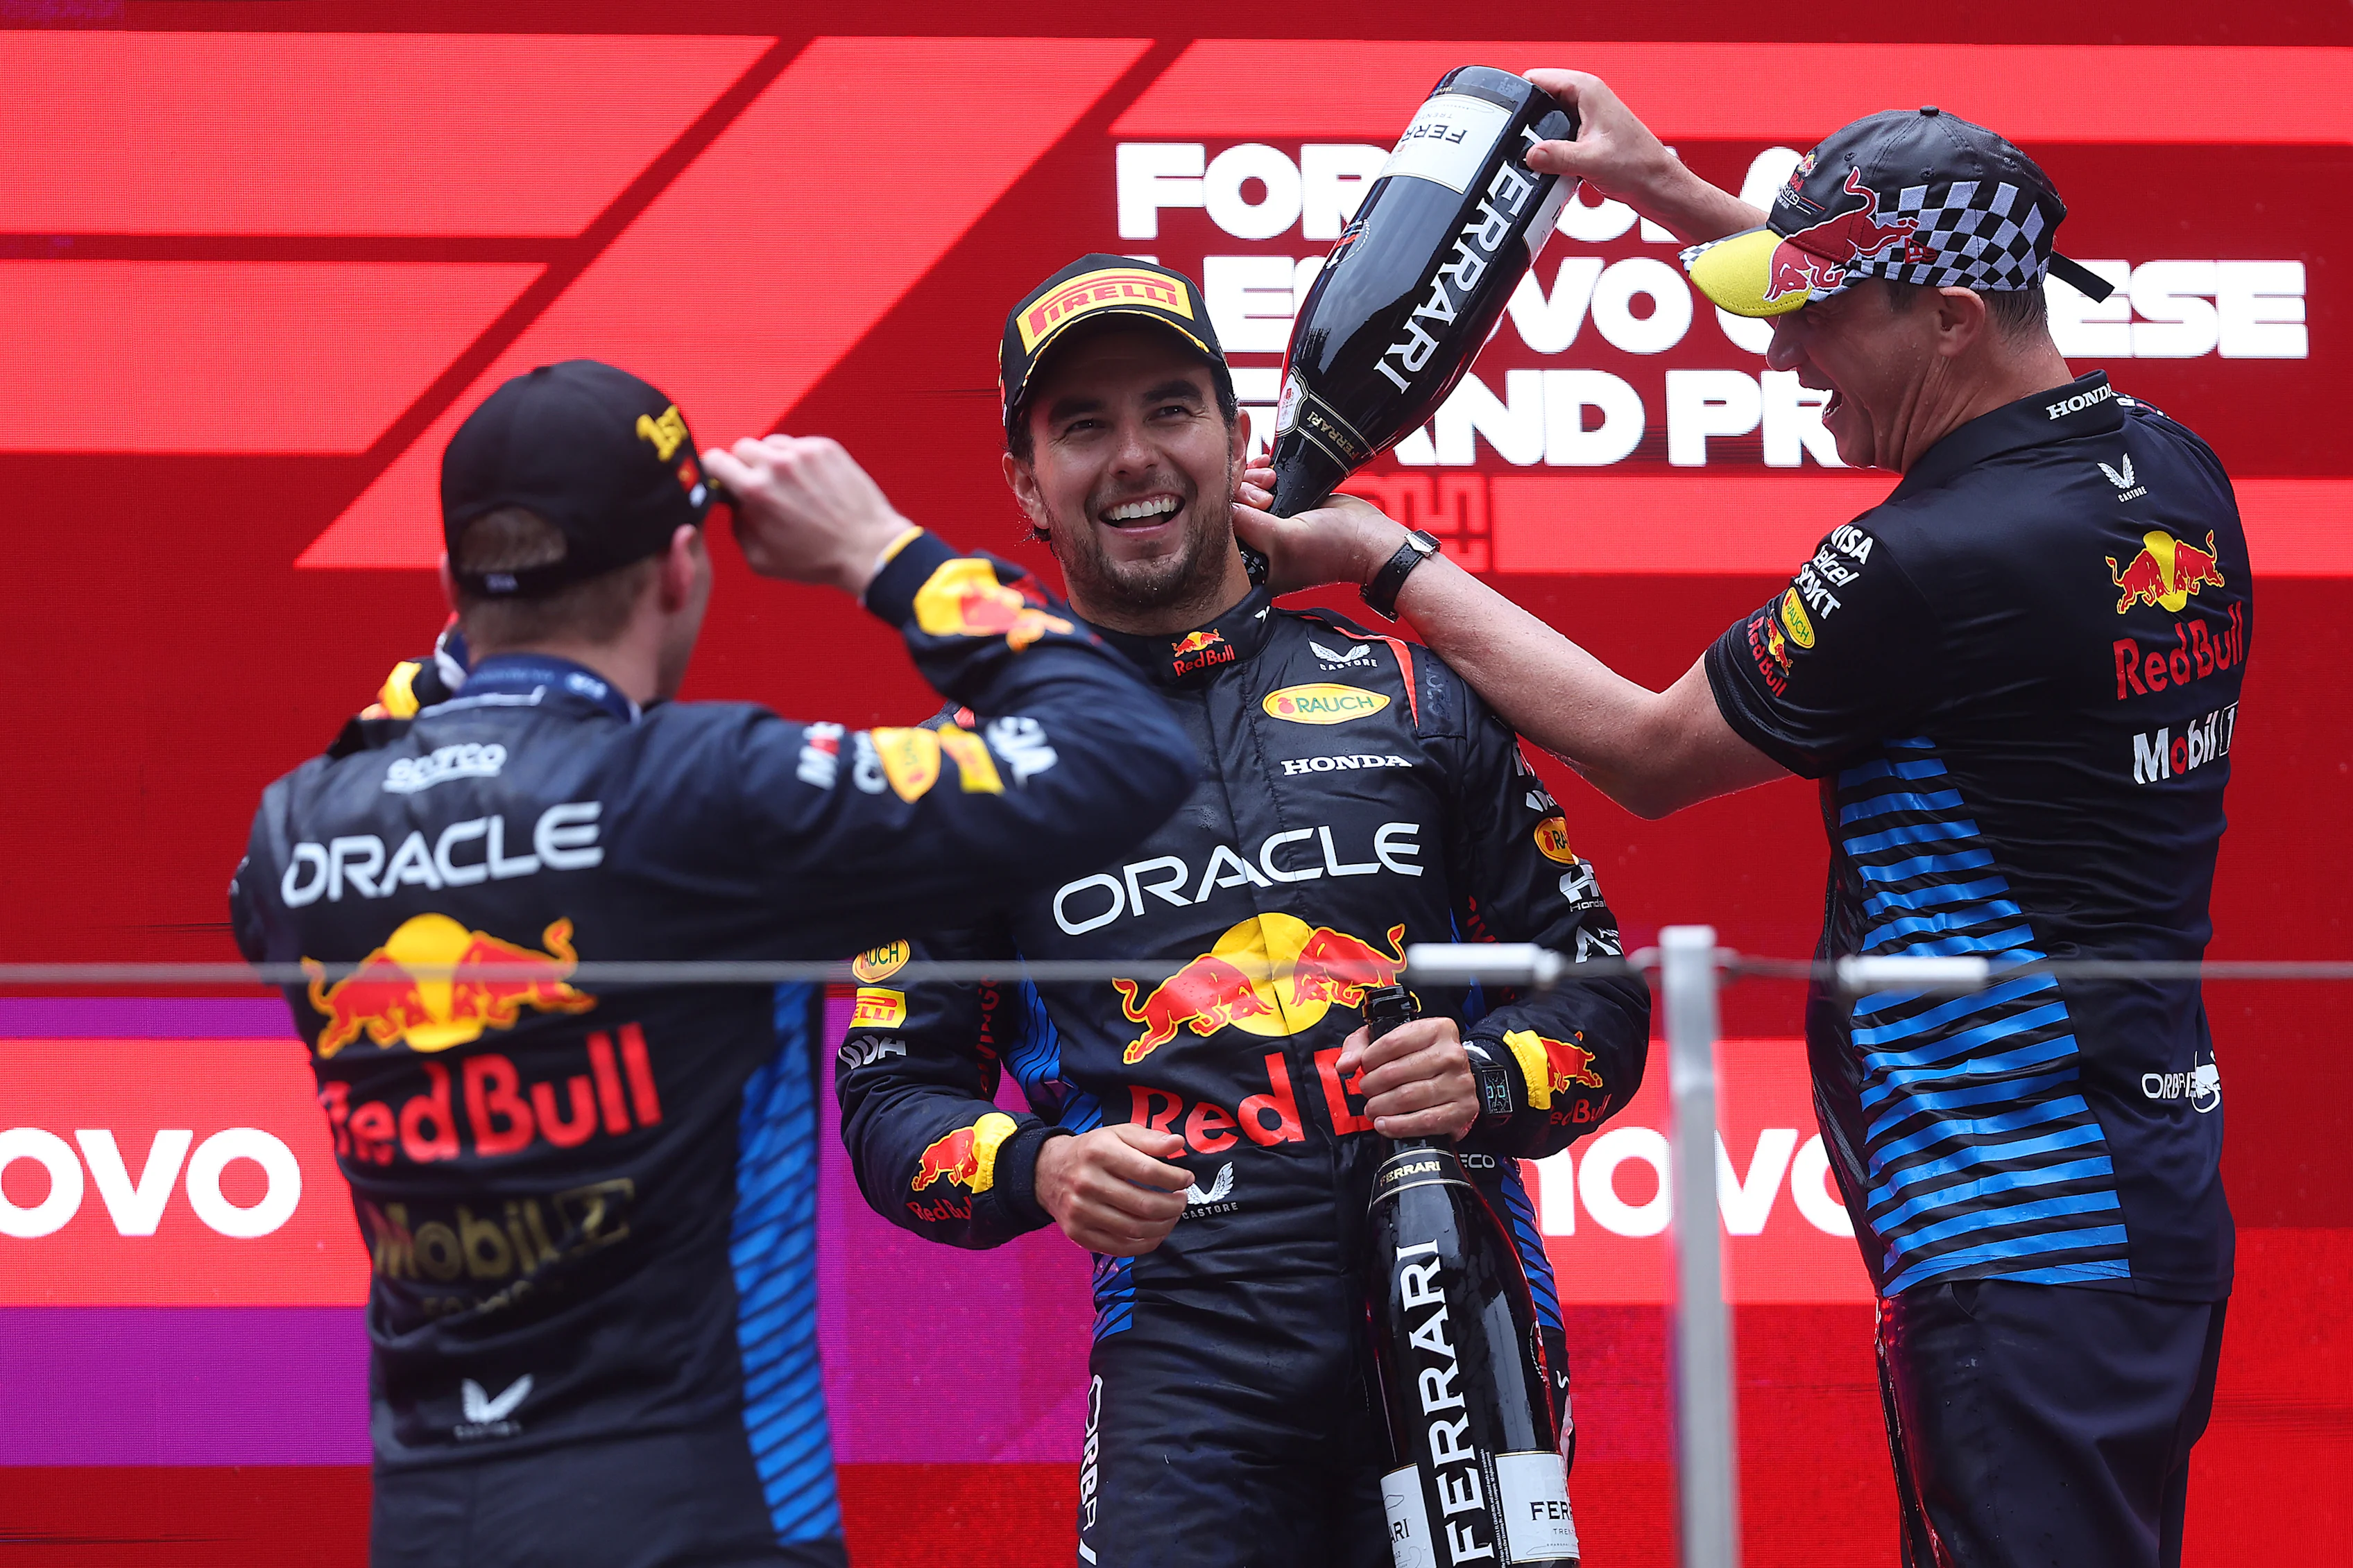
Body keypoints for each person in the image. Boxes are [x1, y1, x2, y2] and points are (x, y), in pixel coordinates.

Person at [1236, 86, 2248, 1568]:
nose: (1782, 354)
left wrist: (1385, 560)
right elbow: (1882, 294)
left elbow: (1646, 751)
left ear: (1953, 320)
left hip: (2015, 1216)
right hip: (2136, 1193)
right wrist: (1668, 191)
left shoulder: (1927, 558)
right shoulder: (2164, 460)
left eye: (1812, 317)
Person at [227, 359, 1199, 1568]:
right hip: (712, 1516)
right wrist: (882, 554)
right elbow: (1120, 753)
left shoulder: (298, 833)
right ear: (683, 568)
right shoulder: (706, 793)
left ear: (452, 588)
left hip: (434, 1523)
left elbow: (382, 751)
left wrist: (463, 651)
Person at [832, 257, 1652, 1567]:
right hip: (1184, 1352)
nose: (1133, 457)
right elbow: (888, 1101)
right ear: (1024, 483)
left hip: (1453, 1307)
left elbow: (1599, 991)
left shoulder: (1416, 689)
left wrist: (1491, 1075)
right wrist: (1037, 1167)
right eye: (1082, 426)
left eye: (1170, 408)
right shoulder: (970, 767)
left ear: (1236, 440)